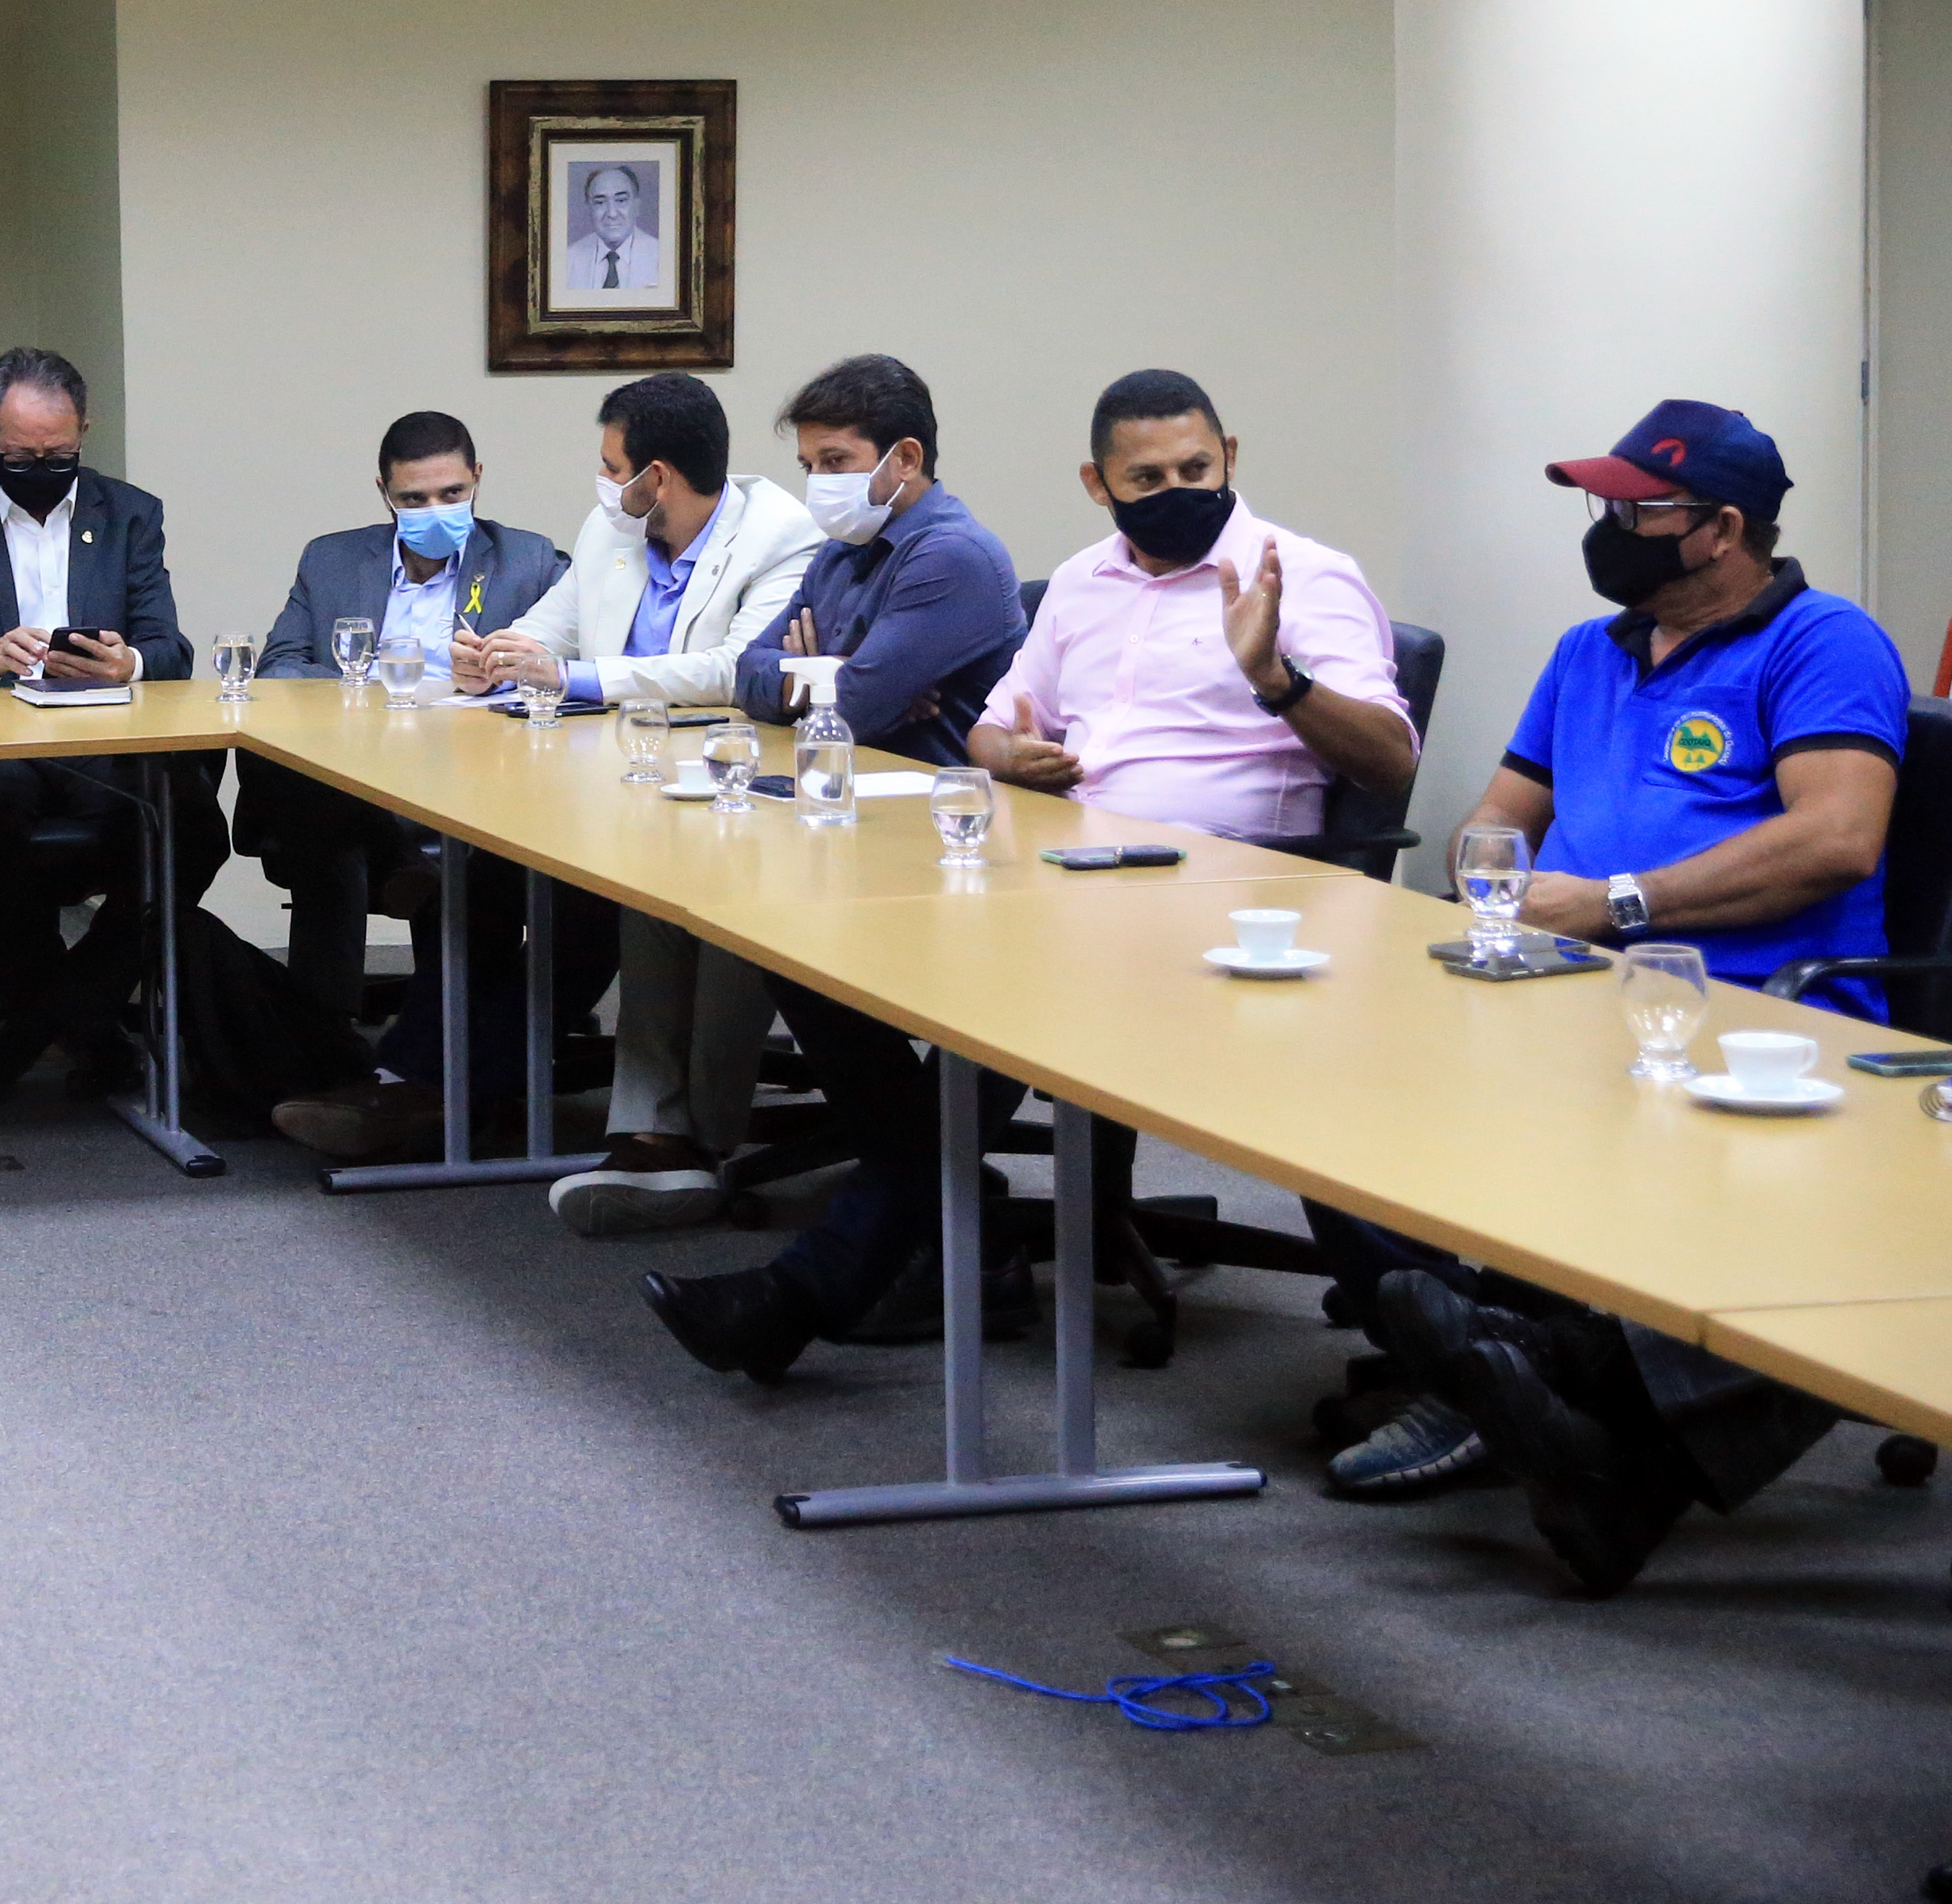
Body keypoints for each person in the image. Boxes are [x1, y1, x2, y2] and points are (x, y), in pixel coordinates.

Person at [1321, 403, 1906, 1585]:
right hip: (1575, 983)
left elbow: (1838, 838)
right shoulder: (1589, 651)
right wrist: (1491, 880)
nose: (1606, 529)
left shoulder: (1824, 642)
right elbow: (1500, 816)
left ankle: (1524, 1374)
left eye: (1636, 510)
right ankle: (1514, 1366)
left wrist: (1616, 903)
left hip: (1764, 1013)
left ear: (1721, 529)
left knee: (1759, 1202)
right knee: (1330, 1092)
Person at [631, 356, 1032, 1381]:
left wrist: (829, 679)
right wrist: (829, 678)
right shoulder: (842, 555)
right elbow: (753, 672)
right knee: (775, 944)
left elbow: (848, 705)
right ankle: (947, 1222)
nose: (820, 483)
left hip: (962, 852)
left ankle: (827, 1278)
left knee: (817, 959)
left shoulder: (952, 557)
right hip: (858, 824)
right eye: (810, 463)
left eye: (839, 461)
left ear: (907, 458)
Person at [458, 370, 822, 1227]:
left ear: (657, 476)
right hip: (623, 777)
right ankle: (649, 1131)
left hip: (735, 782)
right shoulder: (613, 528)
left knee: (714, 902)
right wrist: (494, 656)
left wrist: (574, 676)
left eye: (613, 466)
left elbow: (734, 669)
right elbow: (552, 626)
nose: (603, 482)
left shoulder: (783, 537)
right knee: (622, 902)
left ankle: (695, 1138)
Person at [0, 347, 217, 1105]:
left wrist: (128, 663)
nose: (40, 468)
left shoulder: (130, 516)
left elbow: (172, 651)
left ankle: (35, 1027)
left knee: (193, 824)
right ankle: (89, 1028)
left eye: (58, 455)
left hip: (101, 744)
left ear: (84, 432)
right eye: (20, 456)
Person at [235, 410, 573, 1164]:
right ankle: (331, 1049)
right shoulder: (333, 560)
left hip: (472, 790)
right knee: (319, 820)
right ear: (384, 493)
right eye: (413, 500)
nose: (434, 512)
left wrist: (499, 674)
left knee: (458, 851)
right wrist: (385, 684)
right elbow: (281, 669)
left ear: (478, 480)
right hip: (353, 786)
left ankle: (390, 1066)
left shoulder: (528, 562)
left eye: (451, 495)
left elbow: (564, 670)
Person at [971, 368, 1413, 846]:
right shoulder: (1080, 579)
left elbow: (1393, 765)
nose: (1176, 490)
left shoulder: (1301, 576)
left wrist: (1276, 681)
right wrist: (1013, 759)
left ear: (1230, 457)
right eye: (1148, 478)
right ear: (1097, 484)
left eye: (1196, 470)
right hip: (1071, 850)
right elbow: (991, 731)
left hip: (1226, 866)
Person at [570, 165, 660, 294]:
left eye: (621, 201)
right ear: (589, 208)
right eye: (600, 202)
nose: (612, 213)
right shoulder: (568, 259)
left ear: (637, 206)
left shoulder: (662, 258)